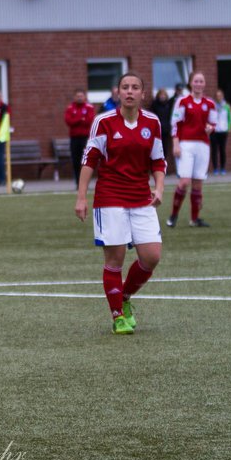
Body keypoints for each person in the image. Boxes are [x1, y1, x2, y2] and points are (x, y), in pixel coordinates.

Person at [73, 72, 165, 334]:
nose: (130, 91)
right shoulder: (103, 122)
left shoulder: (152, 122)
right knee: (116, 259)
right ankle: (117, 317)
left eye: (135, 87)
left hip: (141, 198)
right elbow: (89, 159)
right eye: (125, 87)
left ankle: (123, 298)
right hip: (110, 197)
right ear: (118, 93)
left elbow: (158, 160)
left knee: (152, 256)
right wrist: (81, 196)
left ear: (142, 94)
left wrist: (158, 188)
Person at [166, 70, 217, 228]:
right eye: (196, 81)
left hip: (203, 145)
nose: (199, 84)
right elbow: (176, 124)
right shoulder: (182, 101)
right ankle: (173, 216)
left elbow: (213, 124)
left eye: (201, 81)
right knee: (184, 181)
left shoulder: (210, 104)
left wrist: (210, 128)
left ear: (205, 84)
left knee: (197, 184)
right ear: (190, 83)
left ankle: (194, 219)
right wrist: (175, 144)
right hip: (186, 145)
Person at [63, 88, 96, 187]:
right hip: (74, 138)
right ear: (74, 97)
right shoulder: (70, 108)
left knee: (86, 161)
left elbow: (89, 121)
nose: (79, 98)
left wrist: (78, 119)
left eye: (81, 96)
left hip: (86, 138)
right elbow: (69, 122)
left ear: (84, 97)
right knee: (76, 161)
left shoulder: (89, 107)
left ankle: (86, 183)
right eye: (77, 96)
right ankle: (78, 183)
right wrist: (81, 118)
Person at [149, 88, 175, 172]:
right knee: (156, 149)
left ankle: (163, 167)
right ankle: (155, 168)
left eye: (164, 95)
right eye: (161, 95)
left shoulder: (168, 104)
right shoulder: (155, 104)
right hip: (157, 130)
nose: (162, 97)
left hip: (166, 130)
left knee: (165, 149)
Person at [210, 89, 231, 175]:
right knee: (214, 150)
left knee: (222, 150)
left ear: (223, 96)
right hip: (214, 131)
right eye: (217, 96)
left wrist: (229, 127)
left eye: (220, 96)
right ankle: (215, 168)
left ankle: (222, 168)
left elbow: (229, 118)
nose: (218, 97)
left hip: (223, 131)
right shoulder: (212, 106)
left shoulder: (227, 106)